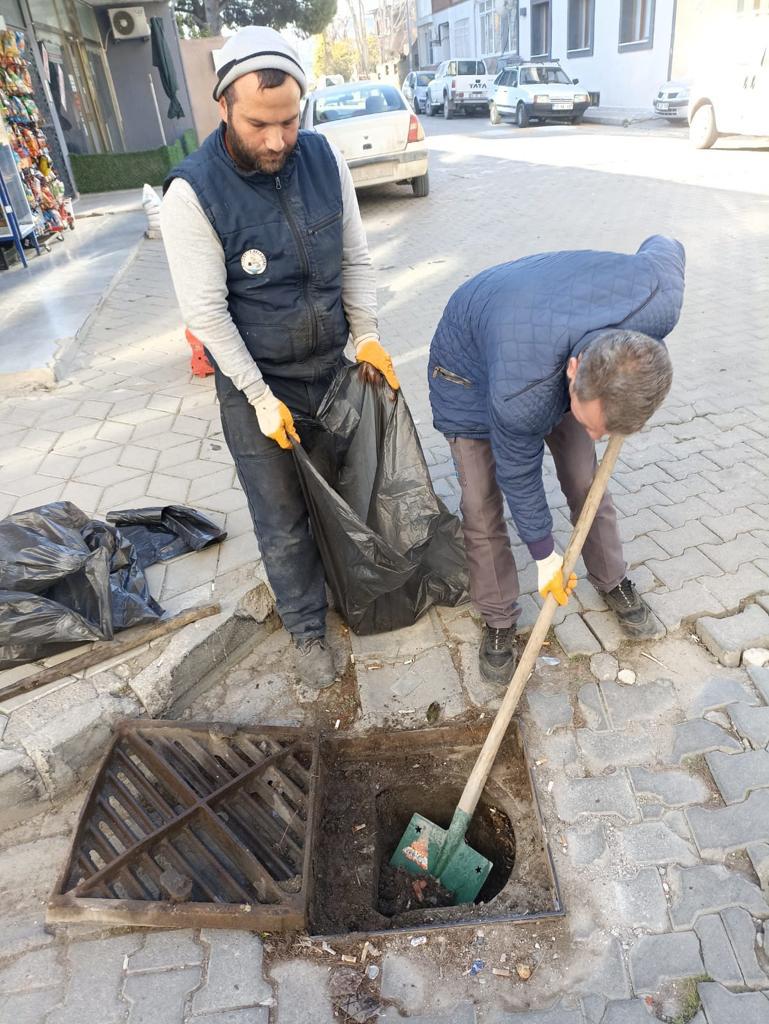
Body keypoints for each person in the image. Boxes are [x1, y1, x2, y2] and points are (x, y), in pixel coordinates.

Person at [160, 27, 399, 688]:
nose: (276, 139)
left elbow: (353, 256)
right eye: (259, 123)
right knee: (283, 520)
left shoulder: (323, 160)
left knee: (346, 487)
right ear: (223, 109)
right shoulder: (192, 194)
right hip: (256, 382)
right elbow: (205, 313)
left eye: (289, 120)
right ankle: (305, 628)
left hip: (330, 367)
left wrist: (368, 335)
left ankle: (352, 590)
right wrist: (260, 398)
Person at [428, 235, 685, 685]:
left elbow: (665, 244)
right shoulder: (520, 394)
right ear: (574, 372)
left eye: (606, 429)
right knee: (481, 503)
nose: (596, 435)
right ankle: (499, 618)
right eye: (590, 423)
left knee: (586, 478)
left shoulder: (659, 299)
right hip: (468, 368)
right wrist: (545, 556)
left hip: (543, 325)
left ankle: (612, 580)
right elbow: (518, 473)